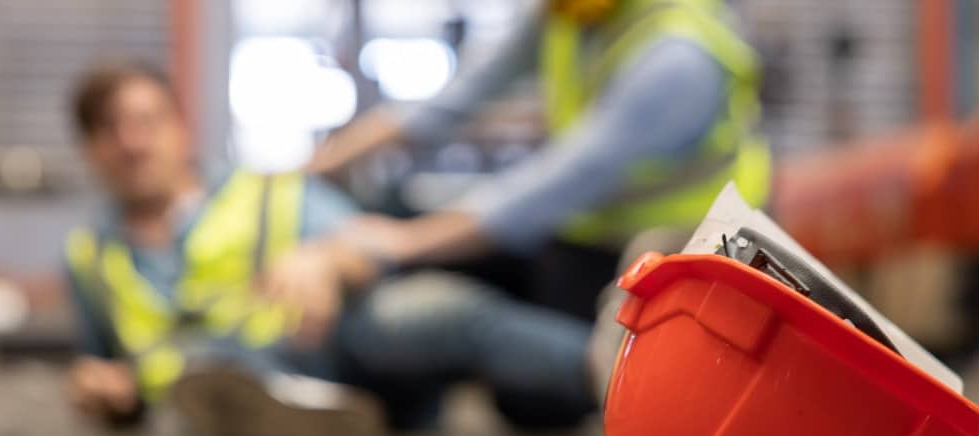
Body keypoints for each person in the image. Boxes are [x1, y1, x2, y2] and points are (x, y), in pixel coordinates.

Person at [62, 61, 595, 436]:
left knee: (432, 308)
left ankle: (612, 371)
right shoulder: (88, 258)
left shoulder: (265, 191)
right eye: (111, 129)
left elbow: (372, 247)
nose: (132, 143)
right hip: (205, 400)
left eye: (147, 121)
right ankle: (272, 401)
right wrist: (105, 392)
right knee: (220, 373)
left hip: (332, 351)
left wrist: (325, 260)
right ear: (89, 149)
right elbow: (107, 370)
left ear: (180, 128)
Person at [276, 0, 772, 322]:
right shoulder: (573, 14)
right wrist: (308, 170)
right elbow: (448, 104)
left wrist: (403, 244)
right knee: (399, 230)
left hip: (674, 267)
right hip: (581, 238)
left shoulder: (679, 56)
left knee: (478, 336)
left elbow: (555, 184)